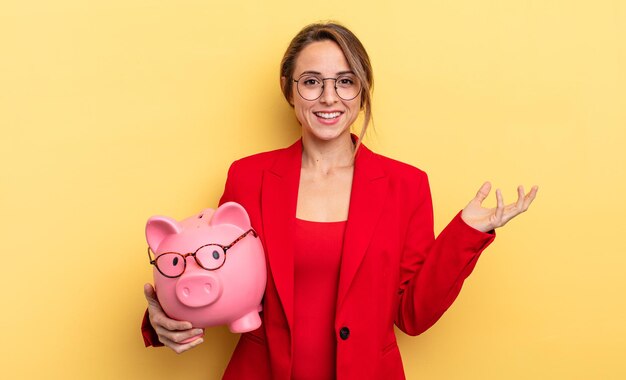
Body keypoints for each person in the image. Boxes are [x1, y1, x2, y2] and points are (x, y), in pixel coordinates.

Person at [141, 22, 538, 380]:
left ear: (362, 91)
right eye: (311, 82)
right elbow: (217, 277)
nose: (329, 98)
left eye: (345, 82)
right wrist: (162, 316)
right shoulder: (248, 178)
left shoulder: (406, 185)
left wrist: (466, 233)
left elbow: (412, 315)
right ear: (289, 90)